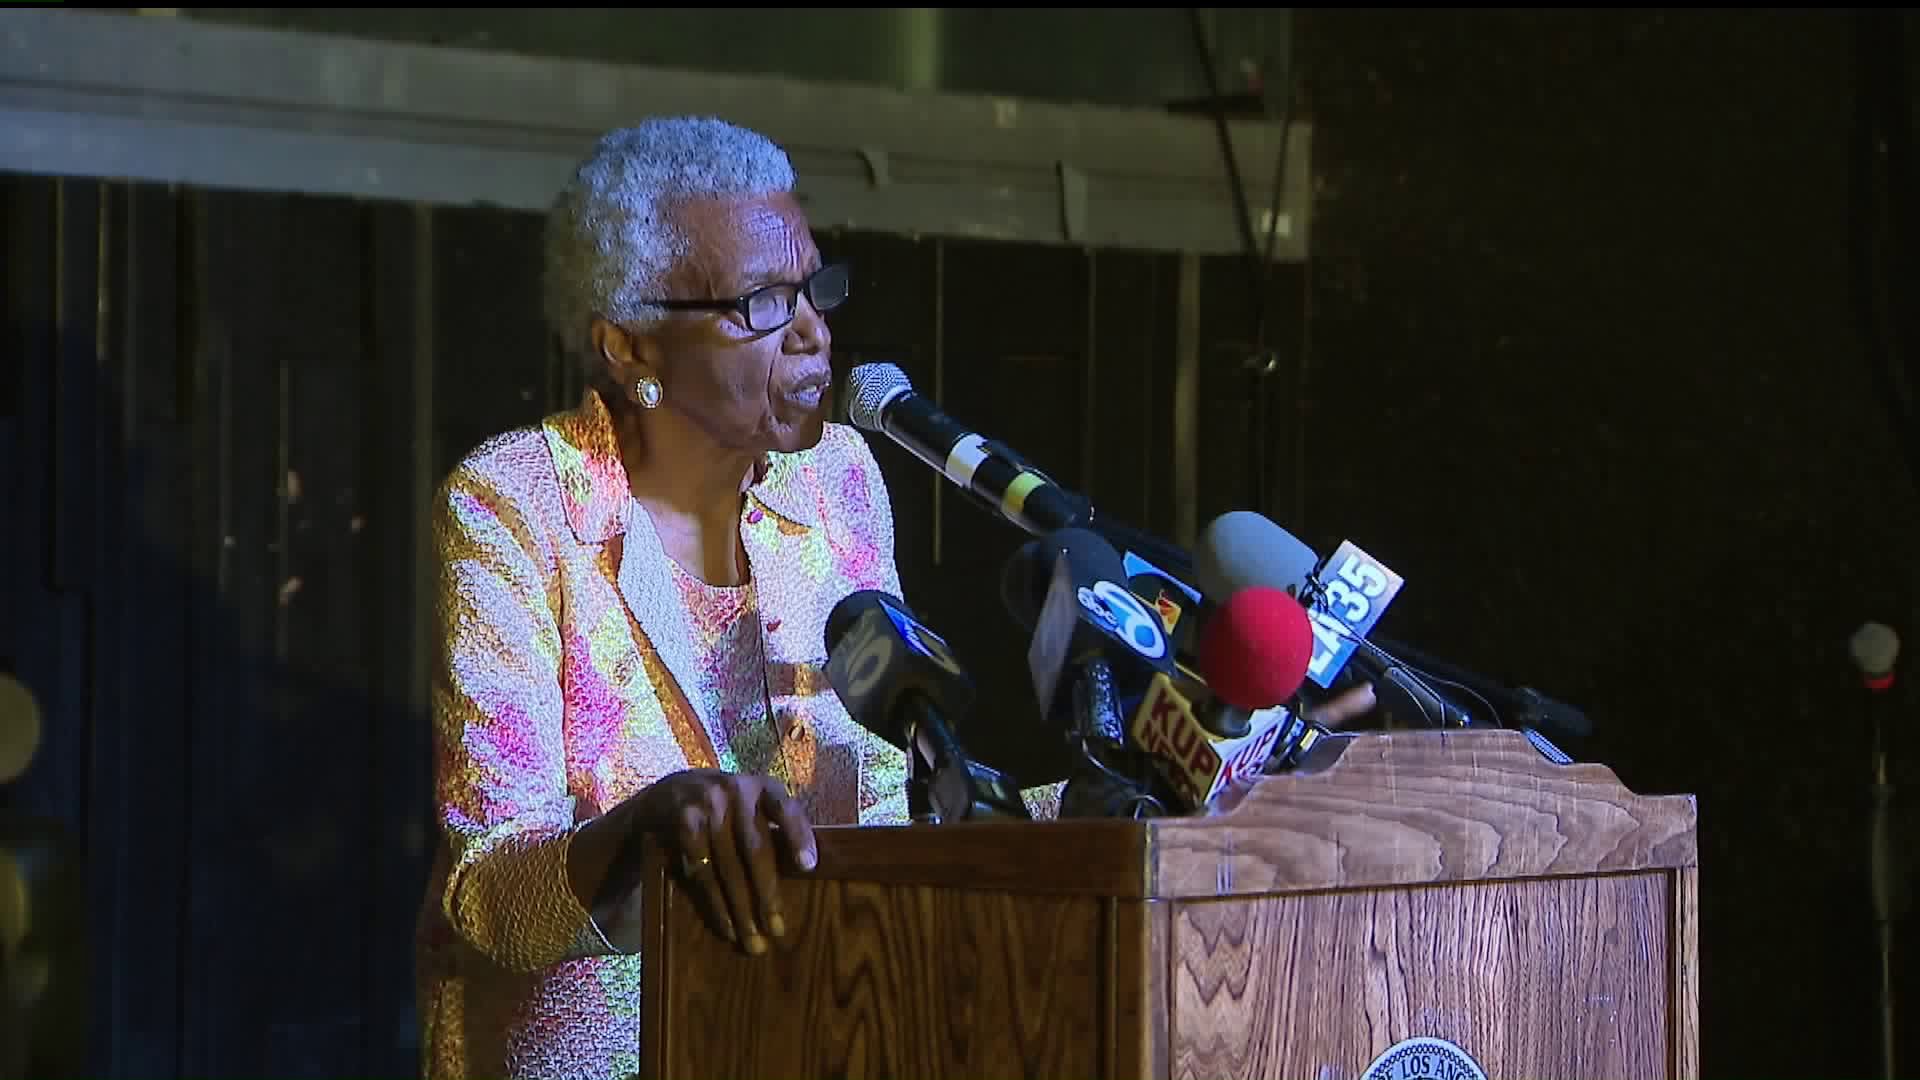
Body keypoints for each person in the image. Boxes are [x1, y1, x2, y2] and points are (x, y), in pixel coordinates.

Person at [412, 115, 977, 1080]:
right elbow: (487, 896)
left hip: (809, 1037)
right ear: (628, 346)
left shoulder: (839, 478)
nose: (813, 330)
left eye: (813, 289)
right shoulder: (515, 506)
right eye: (761, 301)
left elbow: (889, 814)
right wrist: (643, 828)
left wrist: (1210, 748)